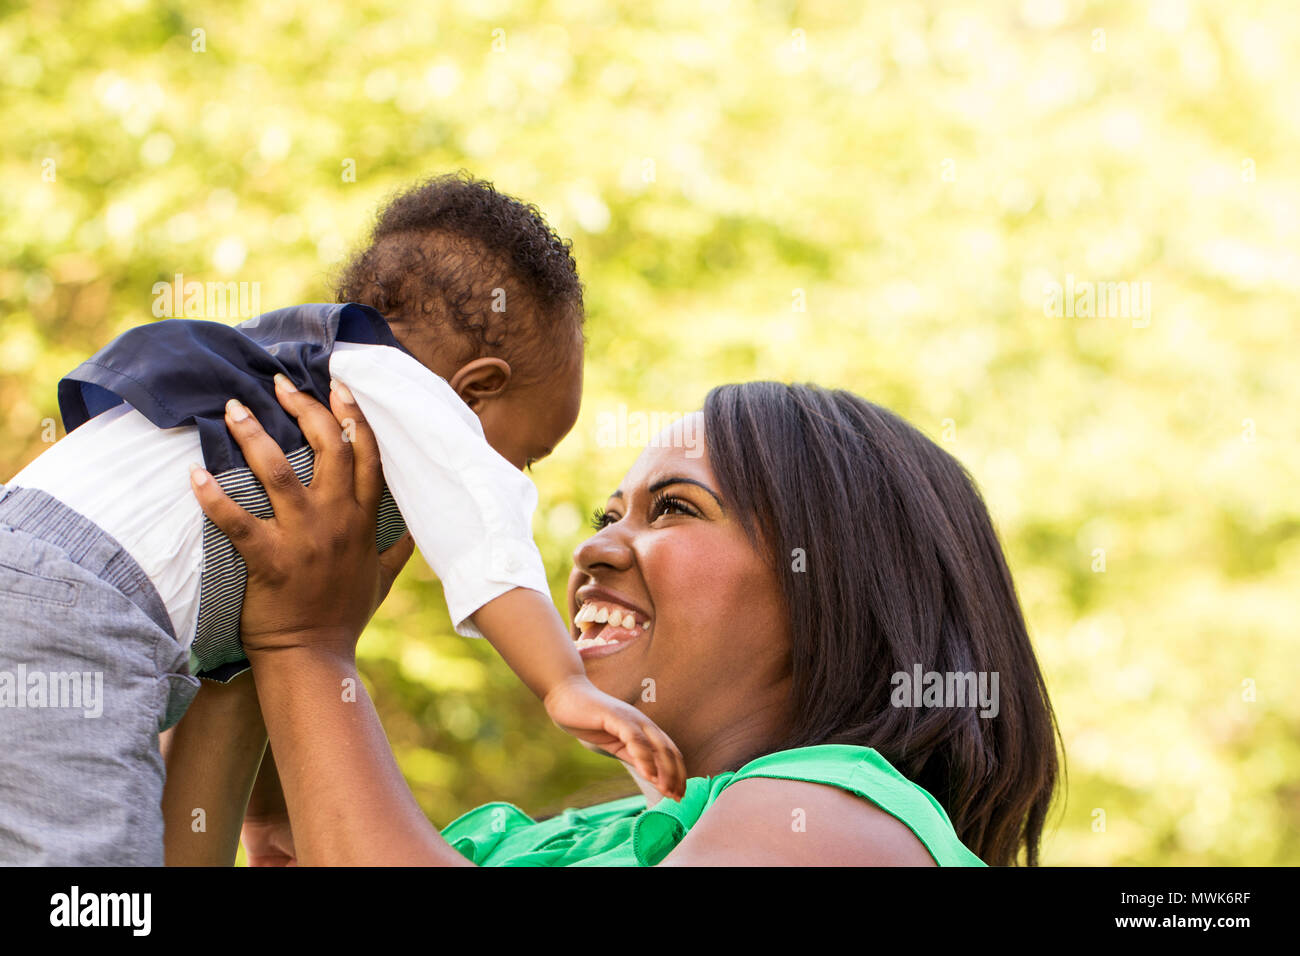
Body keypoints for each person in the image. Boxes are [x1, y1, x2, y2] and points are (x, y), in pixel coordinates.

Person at [0, 173, 683, 866]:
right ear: (477, 390)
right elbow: (487, 536)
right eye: (528, 455)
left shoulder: (293, 378)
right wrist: (562, 683)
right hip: (73, 615)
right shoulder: (410, 392)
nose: (511, 474)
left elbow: (242, 636)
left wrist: (268, 814)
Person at [168, 378, 1062, 866]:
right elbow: (292, 842)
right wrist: (250, 622)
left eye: (674, 509)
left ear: (833, 582)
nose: (595, 551)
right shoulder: (519, 844)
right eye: (607, 517)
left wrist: (308, 644)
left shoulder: (838, 820)